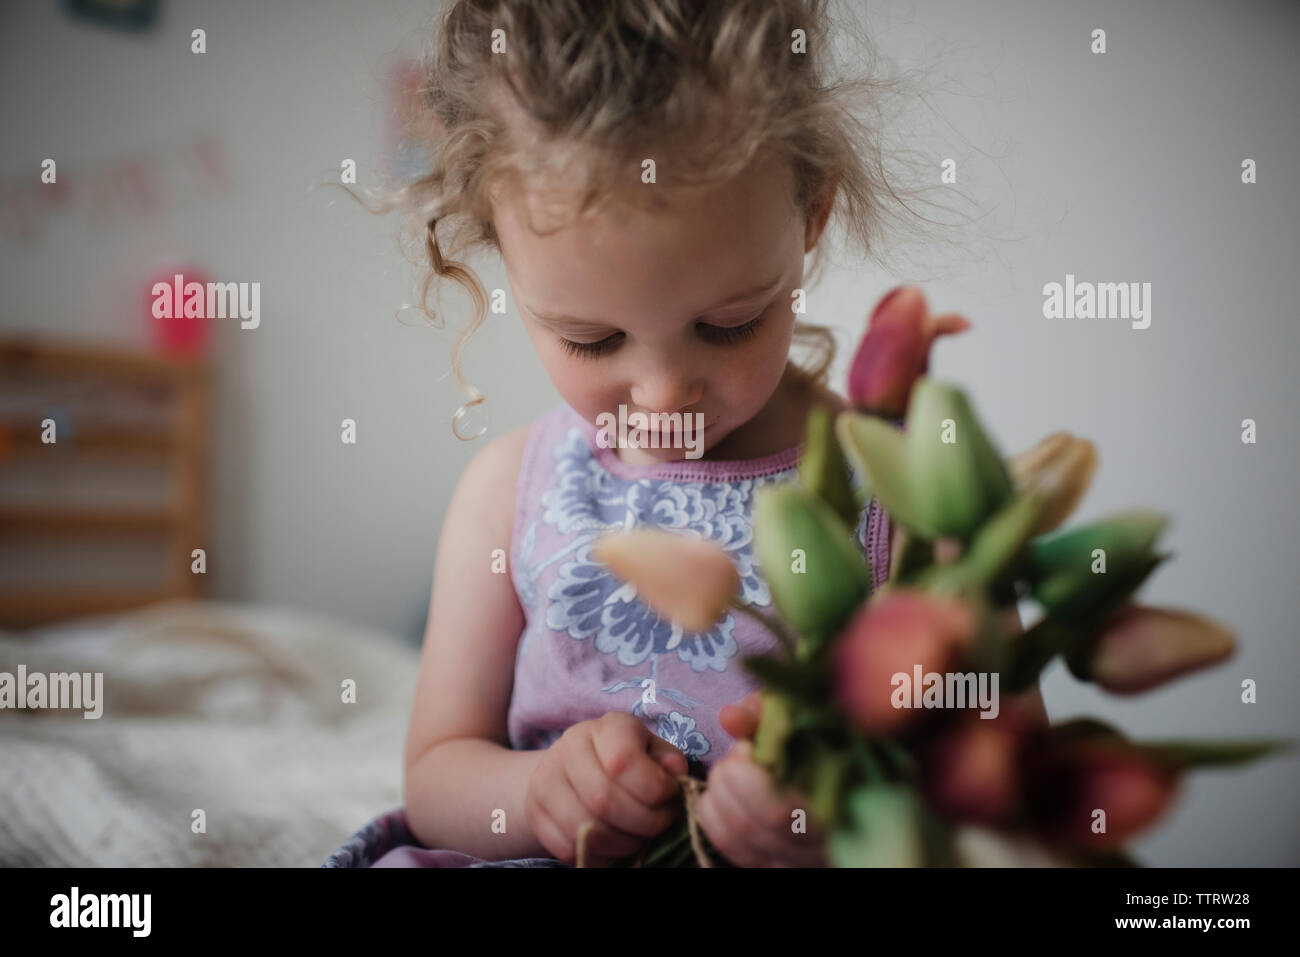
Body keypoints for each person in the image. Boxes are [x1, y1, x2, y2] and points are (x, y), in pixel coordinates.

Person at [328, 0, 1045, 869]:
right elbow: (439, 778)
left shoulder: (905, 497)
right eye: (593, 340)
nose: (664, 395)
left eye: (728, 324)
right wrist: (538, 792)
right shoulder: (507, 490)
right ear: (500, 250)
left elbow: (1010, 791)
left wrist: (845, 823)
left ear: (810, 210)